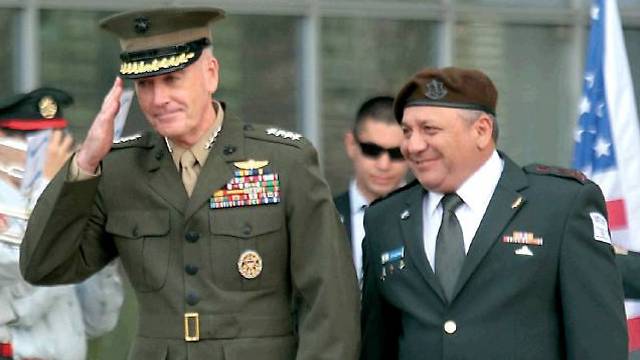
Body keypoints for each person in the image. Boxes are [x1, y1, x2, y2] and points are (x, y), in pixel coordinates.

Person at [20, 7, 359, 360]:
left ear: (211, 74)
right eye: (145, 85)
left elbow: (330, 300)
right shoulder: (119, 169)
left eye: (173, 79)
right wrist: (85, 162)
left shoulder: (285, 161)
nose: (158, 99)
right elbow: (43, 266)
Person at [359, 67, 627, 359]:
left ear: (482, 131)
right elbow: (377, 344)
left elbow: (598, 342)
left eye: (429, 130)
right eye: (407, 131)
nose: (413, 145)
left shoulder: (560, 206)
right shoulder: (384, 219)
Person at [0, 87, 123, 360]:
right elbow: (19, 274)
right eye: (31, 139)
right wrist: (52, 190)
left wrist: (102, 242)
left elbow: (97, 322)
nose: (48, 152)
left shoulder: (62, 209)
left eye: (55, 140)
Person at [334, 96, 408, 287]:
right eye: (371, 150)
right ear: (351, 145)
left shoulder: (431, 214)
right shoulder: (323, 216)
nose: (384, 165)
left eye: (396, 153)